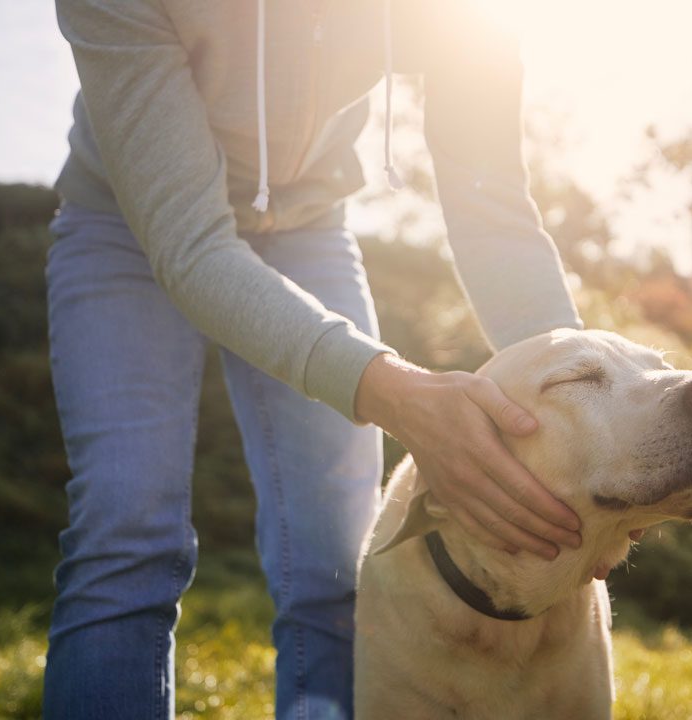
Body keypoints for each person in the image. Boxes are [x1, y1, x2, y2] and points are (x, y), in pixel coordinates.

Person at [44, 0, 585, 718]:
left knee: (335, 558)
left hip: (304, 226)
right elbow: (193, 250)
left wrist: (587, 409)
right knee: (127, 530)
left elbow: (495, 215)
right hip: (128, 227)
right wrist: (398, 396)